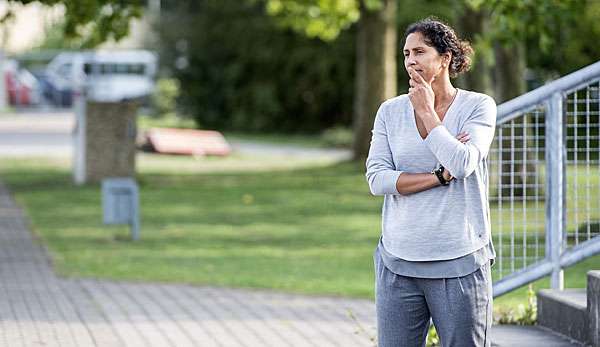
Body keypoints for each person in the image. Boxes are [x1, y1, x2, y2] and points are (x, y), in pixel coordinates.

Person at [365, 17, 497, 347]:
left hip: (459, 262)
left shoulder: (478, 106)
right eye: (406, 53)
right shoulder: (389, 111)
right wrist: (438, 176)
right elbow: (377, 179)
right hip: (397, 262)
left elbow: (462, 163)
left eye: (420, 52)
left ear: (445, 58)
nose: (410, 61)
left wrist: (427, 113)